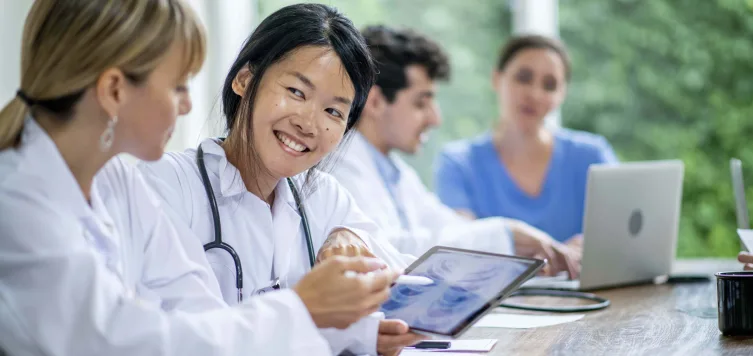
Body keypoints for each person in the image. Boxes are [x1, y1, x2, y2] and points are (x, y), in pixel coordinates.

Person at [0, 1, 399, 355]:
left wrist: (336, 323)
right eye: (178, 86)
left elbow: (195, 308)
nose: (189, 105)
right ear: (115, 91)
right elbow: (122, 342)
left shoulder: (117, 179)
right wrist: (301, 309)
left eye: (334, 111)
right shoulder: (20, 203)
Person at [137, 5, 423, 356]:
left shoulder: (321, 196)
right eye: (296, 92)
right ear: (244, 79)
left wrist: (352, 236)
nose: (309, 123)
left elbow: (396, 274)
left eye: (333, 111)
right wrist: (309, 314)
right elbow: (194, 338)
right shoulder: (166, 185)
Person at [329, 25, 579, 278]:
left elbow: (450, 228)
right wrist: (506, 234)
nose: (435, 118)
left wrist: (512, 246)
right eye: (421, 103)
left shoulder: (397, 173)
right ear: (375, 102)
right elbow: (387, 249)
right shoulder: (340, 169)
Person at [434, 34, 619, 250]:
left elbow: (620, 232)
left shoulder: (593, 156)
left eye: (549, 85)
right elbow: (461, 246)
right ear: (496, 79)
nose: (534, 94)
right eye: (523, 78)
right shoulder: (458, 163)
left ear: (562, 94)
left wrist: (589, 247)